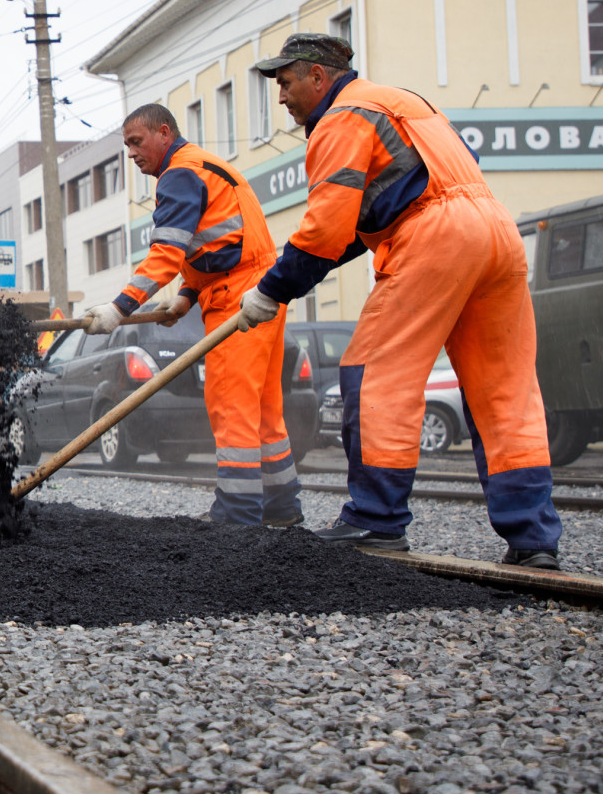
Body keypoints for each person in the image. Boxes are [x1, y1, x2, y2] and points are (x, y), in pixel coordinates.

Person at [241, 32, 563, 568]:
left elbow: (323, 233)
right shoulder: (405, 103)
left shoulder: (343, 116)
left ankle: (375, 521)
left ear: (318, 77)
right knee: (505, 392)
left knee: (375, 376)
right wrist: (282, 283)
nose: (282, 97)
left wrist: (271, 290)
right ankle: (533, 540)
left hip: (435, 235)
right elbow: (351, 233)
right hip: (497, 232)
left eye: (286, 81)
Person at [83, 104, 302, 528]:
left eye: (136, 141)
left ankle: (237, 517)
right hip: (261, 293)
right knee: (264, 410)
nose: (131, 153)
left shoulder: (178, 175)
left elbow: (167, 251)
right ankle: (281, 508)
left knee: (231, 406)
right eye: (127, 145)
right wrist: (186, 294)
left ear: (164, 133)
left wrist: (118, 308)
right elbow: (217, 242)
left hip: (238, 299)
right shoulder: (206, 165)